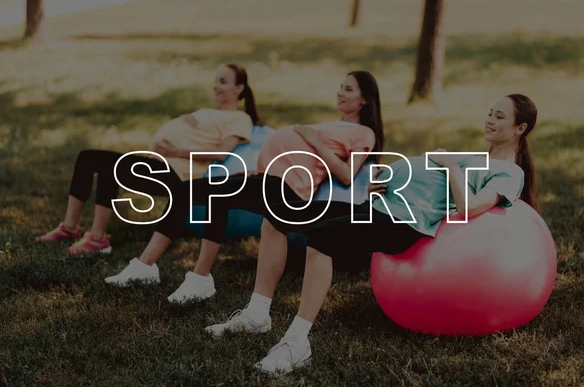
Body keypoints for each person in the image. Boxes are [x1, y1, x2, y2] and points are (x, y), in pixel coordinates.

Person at [205, 94, 539, 375]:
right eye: (490, 113)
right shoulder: (476, 157)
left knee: (321, 241)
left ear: (520, 128)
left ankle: (297, 342)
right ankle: (257, 313)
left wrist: (449, 165)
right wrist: (386, 181)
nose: (490, 120)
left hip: (402, 223)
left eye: (499, 116)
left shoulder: (509, 173)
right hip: (380, 205)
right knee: (277, 217)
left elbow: (468, 207)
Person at [104, 71, 385, 306]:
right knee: (201, 193)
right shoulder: (333, 124)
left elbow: (347, 175)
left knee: (200, 193)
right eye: (340, 87)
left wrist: (313, 140)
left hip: (289, 190)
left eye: (348, 89)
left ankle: (162, 271)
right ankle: (192, 276)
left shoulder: (364, 133)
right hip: (269, 178)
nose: (340, 92)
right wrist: (253, 171)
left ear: (364, 100)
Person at [35, 64, 263, 256]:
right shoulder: (207, 111)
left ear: (239, 88)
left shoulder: (239, 118)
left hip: (178, 174)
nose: (216, 86)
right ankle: (70, 228)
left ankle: (97, 239)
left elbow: (221, 154)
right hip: (161, 162)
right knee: (88, 157)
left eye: (223, 81)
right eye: (216, 80)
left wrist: (177, 151)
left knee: (106, 166)